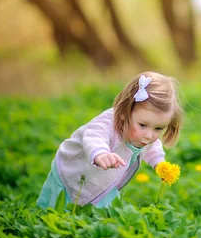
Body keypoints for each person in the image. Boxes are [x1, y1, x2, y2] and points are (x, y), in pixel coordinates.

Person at [37, 72, 183, 209]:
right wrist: (100, 153)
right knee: (55, 208)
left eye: (158, 128)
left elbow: (153, 147)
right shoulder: (107, 123)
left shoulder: (144, 135)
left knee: (104, 213)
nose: (149, 135)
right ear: (125, 112)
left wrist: (160, 164)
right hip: (71, 173)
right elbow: (94, 136)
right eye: (143, 125)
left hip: (102, 182)